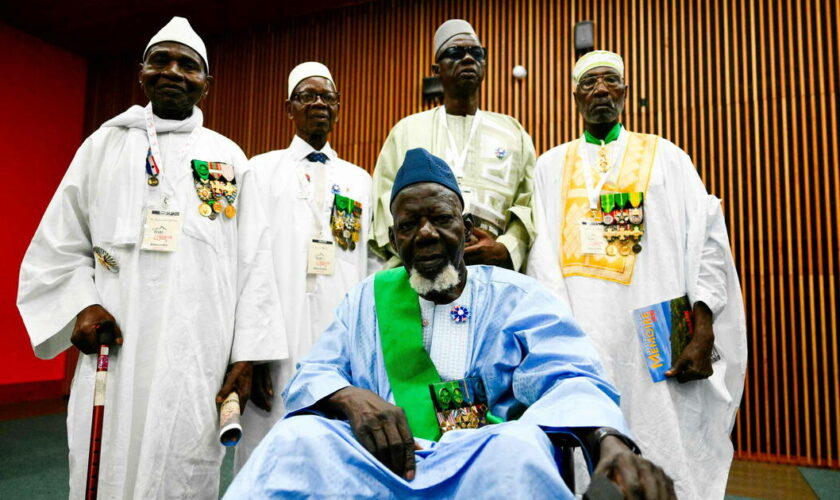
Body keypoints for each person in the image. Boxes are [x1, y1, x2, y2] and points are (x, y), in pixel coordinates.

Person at [225, 148, 675, 499]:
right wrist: (349, 397)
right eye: (408, 224)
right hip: (382, 464)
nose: (424, 233)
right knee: (296, 437)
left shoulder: (516, 297)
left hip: (480, 460)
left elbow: (572, 378)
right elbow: (316, 371)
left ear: (466, 224)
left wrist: (608, 440)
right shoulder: (365, 299)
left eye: (439, 219)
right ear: (394, 235)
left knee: (518, 447)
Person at [16, 17, 286, 499]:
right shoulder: (103, 146)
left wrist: (247, 357)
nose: (173, 71)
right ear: (141, 71)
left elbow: (256, 264)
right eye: (161, 59)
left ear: (207, 83)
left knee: (182, 466)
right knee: (104, 469)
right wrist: (81, 305)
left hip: (196, 357)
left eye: (189, 64)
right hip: (115, 353)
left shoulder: (230, 159)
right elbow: (58, 244)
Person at [527, 50, 747, 499]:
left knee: (666, 447)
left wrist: (704, 324)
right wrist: (558, 339)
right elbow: (541, 260)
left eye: (610, 81)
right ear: (575, 97)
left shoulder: (667, 156)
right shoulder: (550, 166)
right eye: (590, 83)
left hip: (660, 333)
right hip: (583, 334)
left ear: (626, 92)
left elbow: (707, 236)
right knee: (591, 442)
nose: (601, 90)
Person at [235, 62, 377, 471]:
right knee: (271, 450)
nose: (318, 103)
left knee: (335, 453)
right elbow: (249, 262)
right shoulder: (259, 170)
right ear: (288, 108)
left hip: (339, 337)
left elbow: (368, 265)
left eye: (327, 97)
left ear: (338, 108)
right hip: (275, 343)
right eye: (306, 96)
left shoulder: (358, 179)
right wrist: (252, 352)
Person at [370, 19, 536, 272]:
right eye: (455, 53)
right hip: (421, 270)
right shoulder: (407, 130)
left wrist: (506, 248)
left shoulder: (513, 132)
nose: (468, 59)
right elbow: (384, 206)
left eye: (476, 53)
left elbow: (529, 204)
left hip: (494, 271)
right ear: (436, 70)